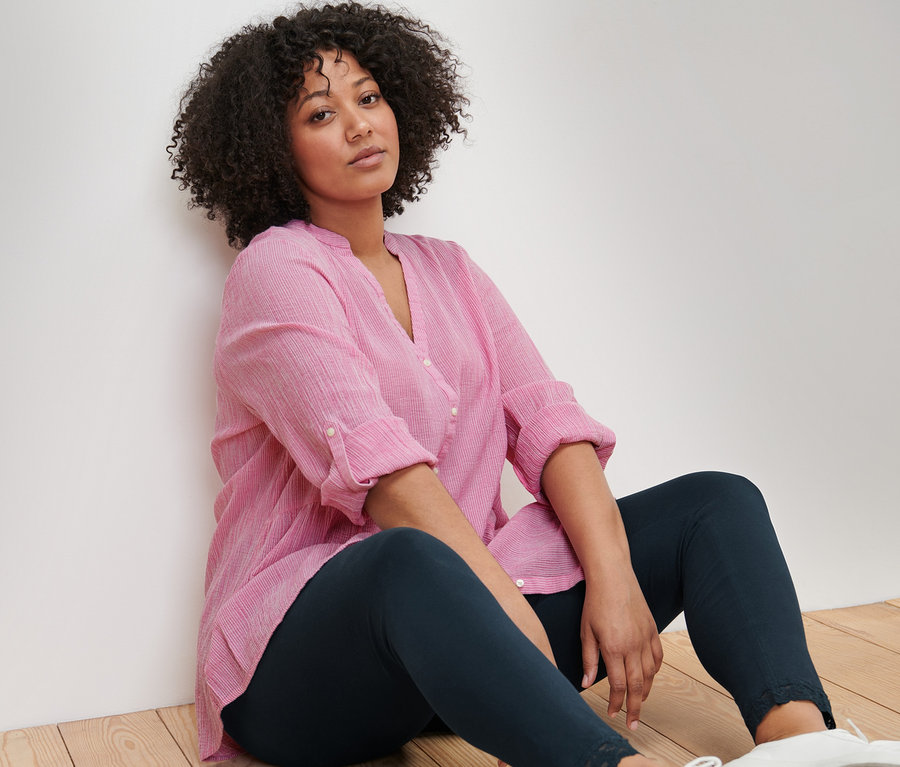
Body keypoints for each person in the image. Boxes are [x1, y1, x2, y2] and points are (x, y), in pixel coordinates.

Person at [169, 4, 900, 767]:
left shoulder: (447, 267)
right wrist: (504, 613)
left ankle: (805, 746)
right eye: (322, 112)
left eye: (370, 97)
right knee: (408, 555)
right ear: (271, 147)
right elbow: (390, 483)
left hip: (451, 642)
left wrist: (614, 578)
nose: (359, 124)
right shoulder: (276, 271)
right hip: (297, 673)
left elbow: (549, 423)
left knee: (716, 503)